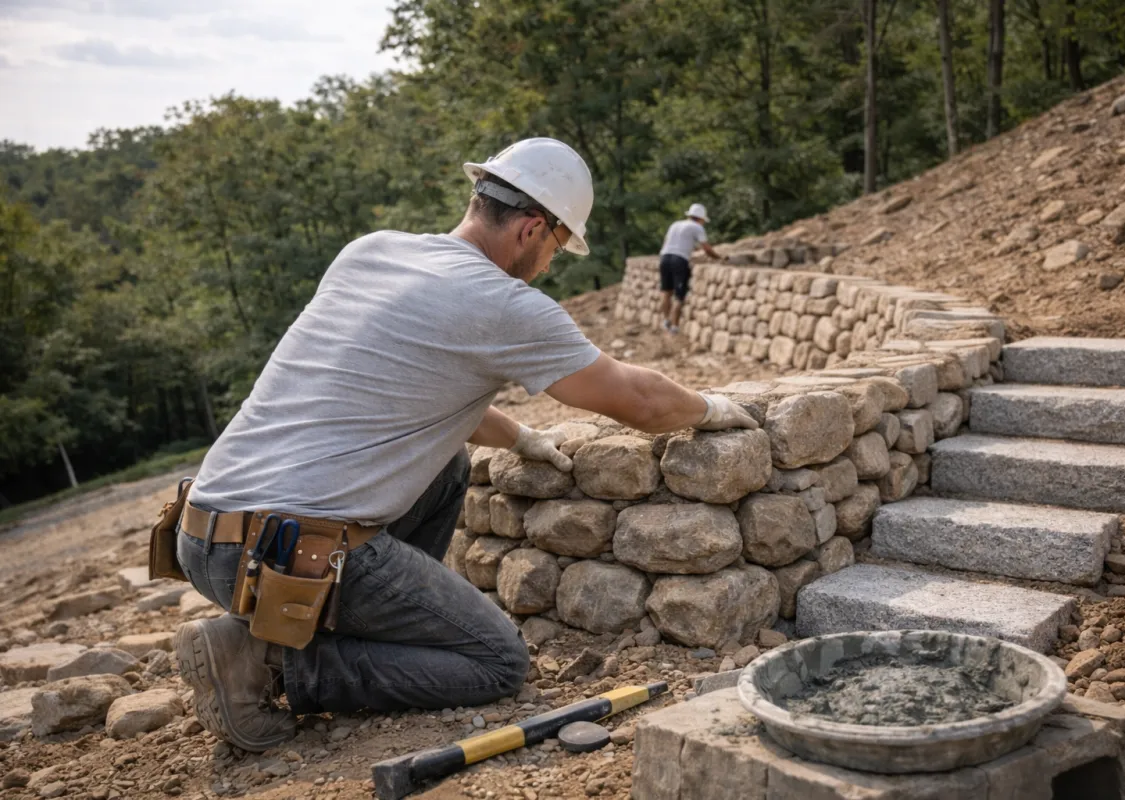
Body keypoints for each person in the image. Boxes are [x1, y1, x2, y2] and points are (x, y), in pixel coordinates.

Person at [172, 137, 759, 752]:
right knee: (496, 661)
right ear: (532, 229)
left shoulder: (371, 251)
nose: (550, 265)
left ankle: (342, 626)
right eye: (557, 247)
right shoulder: (501, 304)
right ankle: (269, 661)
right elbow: (639, 400)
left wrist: (522, 437)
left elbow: (424, 393)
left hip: (204, 534)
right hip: (288, 550)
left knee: (449, 463)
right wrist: (712, 408)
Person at [658, 203, 720, 333]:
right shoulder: (697, 227)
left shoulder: (675, 224)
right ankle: (675, 327)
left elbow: (667, 242)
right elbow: (707, 249)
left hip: (664, 258)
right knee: (679, 295)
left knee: (666, 292)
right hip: (679, 261)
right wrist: (718, 257)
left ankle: (665, 321)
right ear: (701, 218)